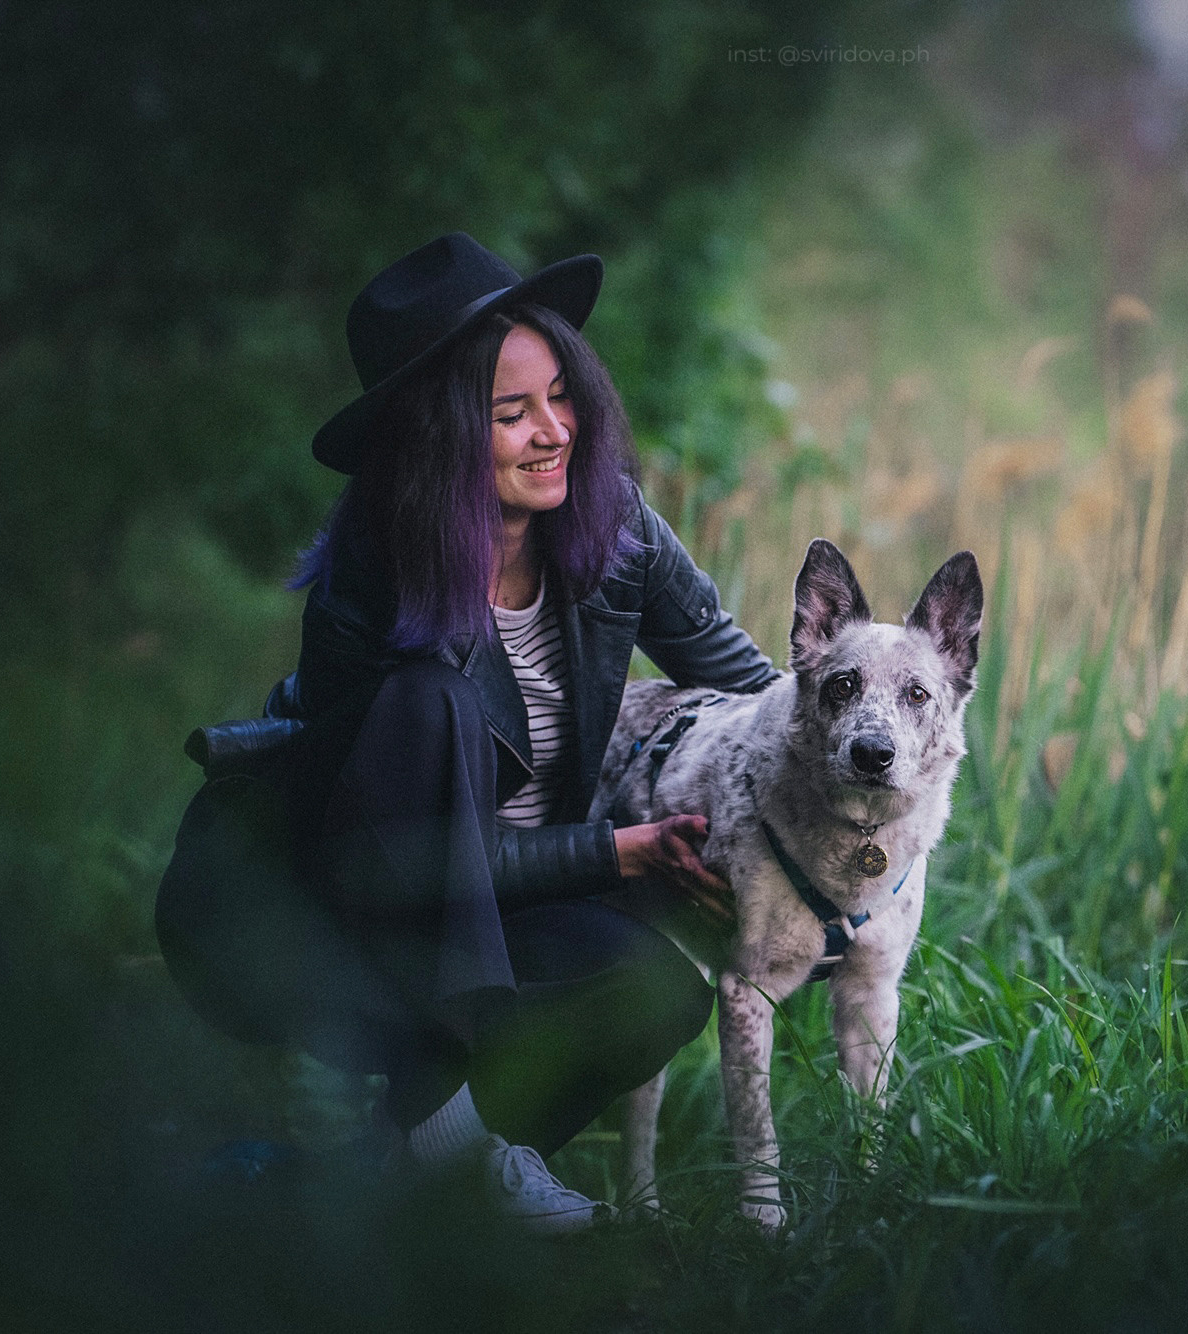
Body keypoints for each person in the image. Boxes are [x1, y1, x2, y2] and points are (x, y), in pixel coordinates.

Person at [174, 233, 777, 1233]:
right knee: (432, 701)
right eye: (510, 413)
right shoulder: (370, 580)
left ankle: (400, 1169)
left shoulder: (615, 529)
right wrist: (617, 850)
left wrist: (827, 825)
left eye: (560, 397)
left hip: (510, 904)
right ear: (436, 434)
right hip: (350, 915)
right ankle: (444, 1139)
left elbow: (759, 700)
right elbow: (395, 858)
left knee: (655, 989)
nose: (554, 433)